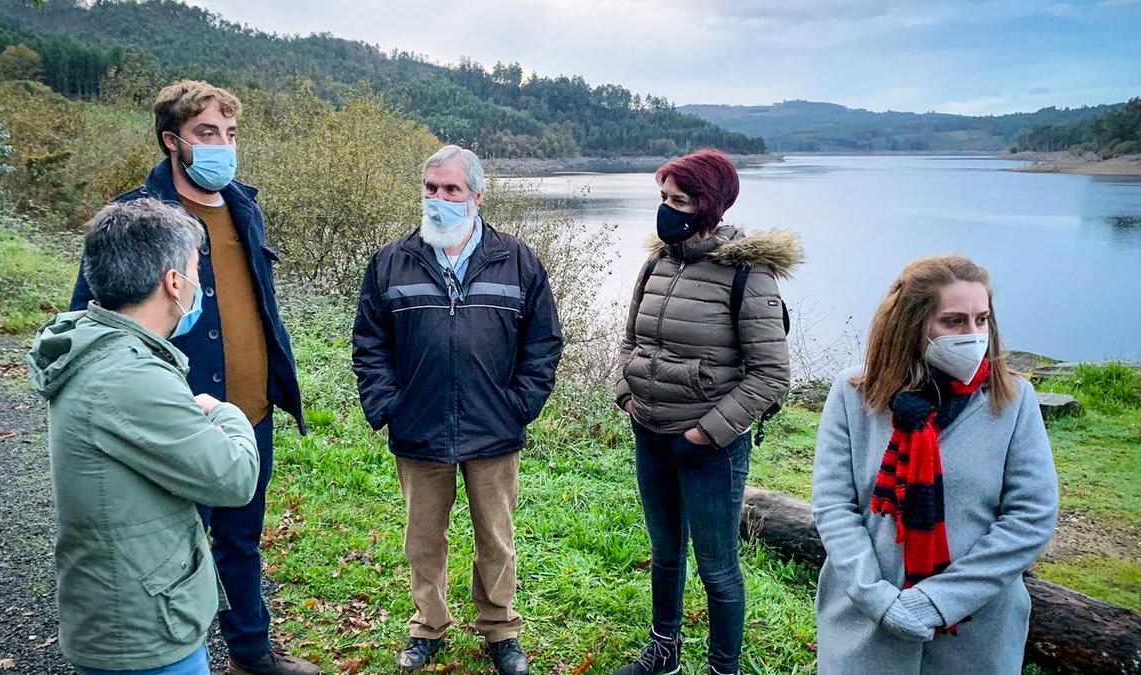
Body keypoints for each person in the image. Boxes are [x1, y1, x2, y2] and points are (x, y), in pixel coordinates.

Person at [68, 80, 315, 675]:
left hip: (249, 410)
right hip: (176, 415)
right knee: (173, 548)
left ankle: (252, 654)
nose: (222, 147)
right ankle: (175, 655)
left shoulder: (242, 205)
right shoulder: (134, 220)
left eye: (230, 134)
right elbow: (90, 316)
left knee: (242, 542)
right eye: (208, 134)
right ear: (172, 141)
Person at [351, 144, 563, 675]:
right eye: (431, 189)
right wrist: (387, 405)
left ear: (476, 196)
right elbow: (370, 343)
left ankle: (499, 628)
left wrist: (520, 405)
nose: (440, 199)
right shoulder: (392, 260)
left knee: (496, 539)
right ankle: (428, 625)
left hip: (494, 428)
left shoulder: (516, 260)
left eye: (452, 190)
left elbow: (543, 343)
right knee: (424, 539)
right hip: (419, 426)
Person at [27, 199, 260, 674]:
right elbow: (235, 476)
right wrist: (224, 412)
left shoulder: (94, 345)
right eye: (196, 271)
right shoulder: (129, 375)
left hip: (125, 604)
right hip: (141, 631)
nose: (199, 285)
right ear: (174, 283)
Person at [811, 255, 1059, 675]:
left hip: (976, 633)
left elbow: (1031, 516)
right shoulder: (854, 395)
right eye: (954, 321)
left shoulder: (1013, 400)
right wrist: (877, 599)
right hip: (866, 628)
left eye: (981, 319)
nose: (973, 335)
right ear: (913, 323)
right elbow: (834, 505)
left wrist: (938, 600)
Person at [613, 149, 802, 675]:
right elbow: (628, 342)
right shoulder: (656, 263)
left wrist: (703, 435)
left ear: (710, 206)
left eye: (680, 200)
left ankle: (723, 668)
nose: (668, 209)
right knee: (666, 552)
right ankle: (664, 650)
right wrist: (628, 397)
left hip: (708, 450)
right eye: (664, 198)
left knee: (717, 569)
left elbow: (770, 377)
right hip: (648, 432)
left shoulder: (748, 276)